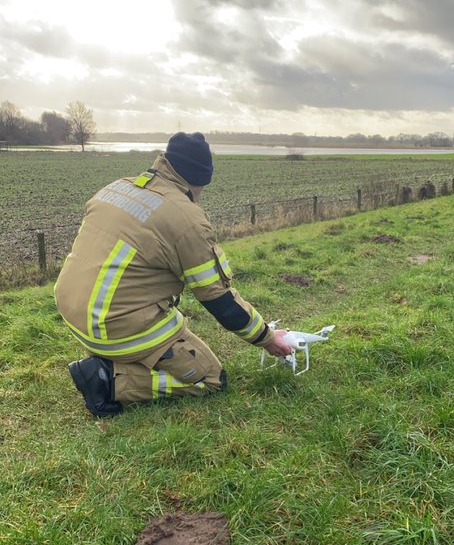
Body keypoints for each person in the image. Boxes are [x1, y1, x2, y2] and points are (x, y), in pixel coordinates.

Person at [54, 131, 291, 417]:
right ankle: (108, 380)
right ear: (201, 179)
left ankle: (112, 357)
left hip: (73, 313)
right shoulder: (186, 219)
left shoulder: (116, 188)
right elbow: (219, 299)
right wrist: (267, 337)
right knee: (212, 379)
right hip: (113, 327)